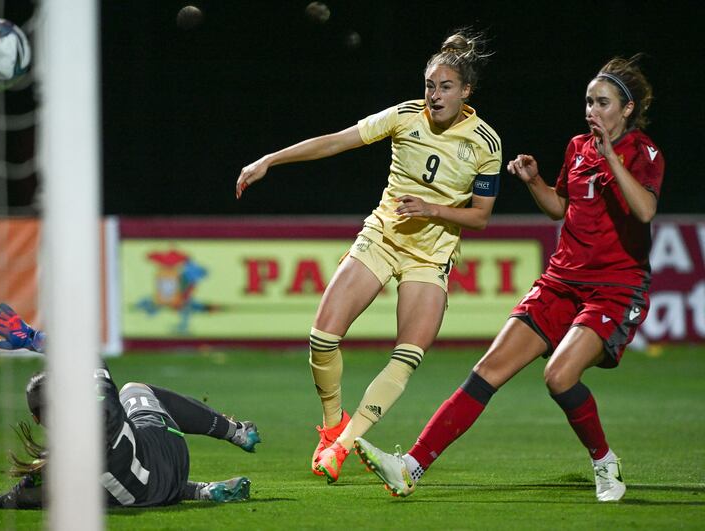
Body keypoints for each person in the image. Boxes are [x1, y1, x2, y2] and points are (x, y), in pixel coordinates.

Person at [355, 54, 664, 502]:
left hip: (615, 289)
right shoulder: (578, 147)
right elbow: (563, 207)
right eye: (588, 102)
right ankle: (411, 467)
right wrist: (535, 182)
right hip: (560, 281)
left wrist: (611, 156)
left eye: (601, 103)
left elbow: (645, 210)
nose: (590, 111)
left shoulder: (644, 153)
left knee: (559, 377)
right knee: (486, 372)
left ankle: (605, 462)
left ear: (627, 109)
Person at [236, 29, 501, 484]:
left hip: (430, 258)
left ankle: (344, 443)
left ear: (466, 91)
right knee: (322, 337)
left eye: (446, 87)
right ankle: (333, 424)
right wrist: (270, 160)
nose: (434, 96)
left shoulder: (485, 143)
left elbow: (479, 217)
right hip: (382, 238)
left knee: (406, 355)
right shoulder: (404, 116)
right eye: (430, 86)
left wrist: (433, 209)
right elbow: (337, 140)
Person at [0, 303, 260, 509]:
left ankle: (201, 491)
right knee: (135, 390)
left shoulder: (53, 465)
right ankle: (236, 432)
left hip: (144, 497)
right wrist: (35, 339)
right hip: (171, 461)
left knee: (98, 487)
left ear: (39, 419)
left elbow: (14, 500)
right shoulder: (104, 407)